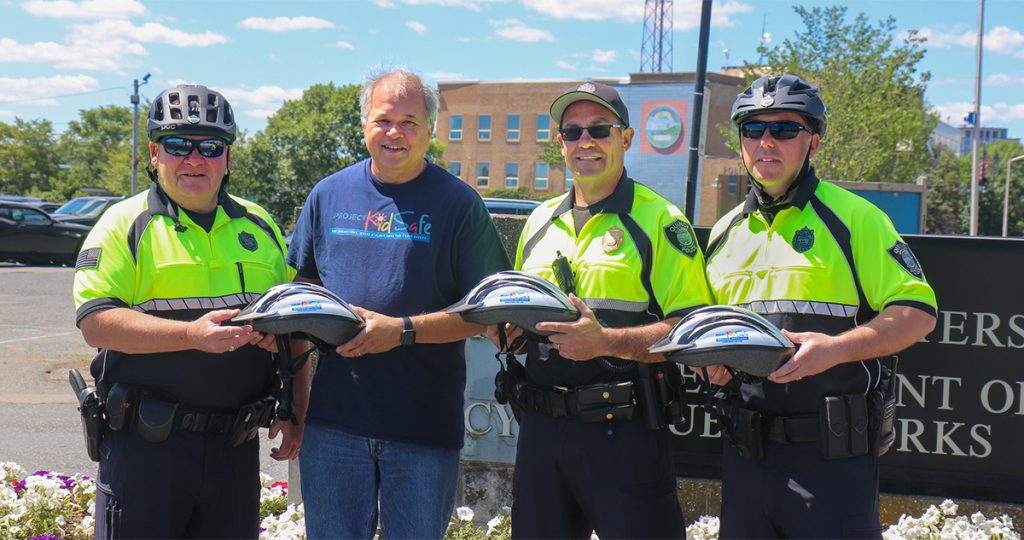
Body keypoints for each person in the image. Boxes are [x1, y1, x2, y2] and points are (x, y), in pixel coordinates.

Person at [703, 74, 938, 538]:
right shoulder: (724, 231)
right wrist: (708, 361)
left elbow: (917, 314)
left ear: (813, 142)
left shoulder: (857, 218)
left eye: (785, 130)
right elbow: (710, 331)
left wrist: (834, 350)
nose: (766, 141)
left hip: (831, 460)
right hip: (745, 455)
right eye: (753, 129)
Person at [287, 67, 511, 539]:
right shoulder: (327, 196)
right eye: (383, 119)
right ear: (364, 124)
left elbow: (485, 310)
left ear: (430, 130)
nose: (394, 132)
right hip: (333, 427)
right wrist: (296, 401)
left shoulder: (459, 204)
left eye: (409, 122)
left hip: (422, 430)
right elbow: (300, 300)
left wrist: (402, 330)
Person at [72, 84, 298, 538]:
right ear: (154, 154)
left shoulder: (261, 225)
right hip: (146, 449)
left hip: (234, 448)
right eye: (179, 145)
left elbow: (294, 322)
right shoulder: (123, 223)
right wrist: (189, 336)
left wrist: (293, 404)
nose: (195, 158)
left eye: (211, 147)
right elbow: (95, 323)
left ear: (228, 158)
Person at [495, 81, 713, 539]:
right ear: (560, 144)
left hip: (623, 434)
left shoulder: (661, 220)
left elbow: (692, 332)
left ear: (626, 139)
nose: (585, 141)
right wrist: (506, 330)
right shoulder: (539, 221)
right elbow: (519, 312)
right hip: (541, 433)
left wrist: (607, 342)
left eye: (599, 129)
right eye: (572, 133)